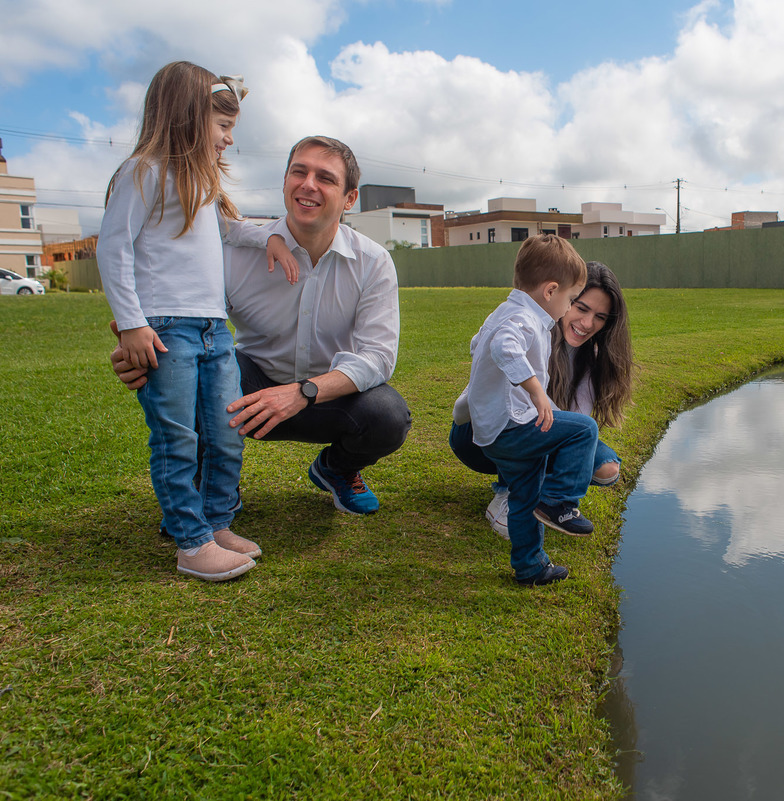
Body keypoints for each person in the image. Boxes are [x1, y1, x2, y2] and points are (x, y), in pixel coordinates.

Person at [112, 135, 411, 518]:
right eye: (299, 172)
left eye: (325, 178)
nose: (308, 185)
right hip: (247, 391)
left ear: (349, 198)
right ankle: (215, 486)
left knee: (387, 415)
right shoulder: (235, 255)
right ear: (285, 182)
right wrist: (137, 347)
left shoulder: (373, 261)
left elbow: (378, 358)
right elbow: (183, 321)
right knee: (192, 371)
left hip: (328, 397)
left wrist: (302, 392)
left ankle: (336, 469)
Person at [98, 62, 297, 582]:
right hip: (166, 329)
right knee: (177, 438)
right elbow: (114, 248)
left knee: (227, 433)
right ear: (187, 115)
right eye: (223, 125)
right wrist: (131, 323)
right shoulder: (142, 172)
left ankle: (215, 523)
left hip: (214, 329)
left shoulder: (201, 183)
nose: (228, 139)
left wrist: (271, 236)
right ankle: (191, 542)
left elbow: (229, 230)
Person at [449, 261, 633, 539]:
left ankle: (545, 497)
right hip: (479, 431)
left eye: (600, 316)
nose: (587, 324)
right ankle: (508, 493)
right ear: (561, 297)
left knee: (606, 468)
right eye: (581, 308)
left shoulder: (593, 359)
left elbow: (574, 421)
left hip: (541, 430)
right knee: (532, 422)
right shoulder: (530, 329)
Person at [458, 234, 597, 586]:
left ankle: (531, 567)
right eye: (570, 299)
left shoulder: (505, 311)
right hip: (511, 426)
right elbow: (505, 348)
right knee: (584, 429)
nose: (569, 307)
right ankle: (559, 501)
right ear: (550, 291)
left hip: (496, 428)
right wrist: (536, 390)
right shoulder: (523, 318)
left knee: (524, 497)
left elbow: (478, 343)